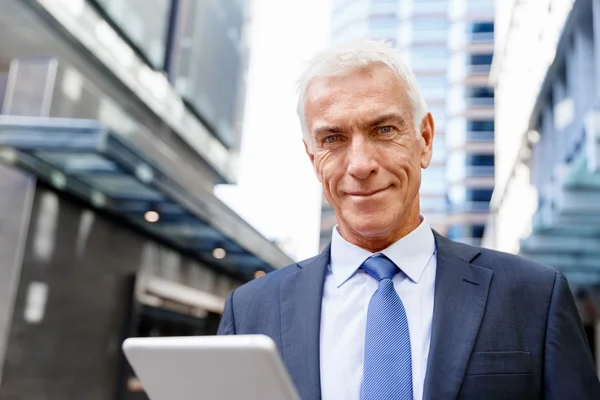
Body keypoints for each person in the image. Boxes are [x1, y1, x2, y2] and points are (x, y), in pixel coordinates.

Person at [217, 39, 600, 399]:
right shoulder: (249, 312)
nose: (361, 164)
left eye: (384, 130)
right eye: (333, 138)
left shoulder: (534, 297)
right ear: (312, 158)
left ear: (425, 139)